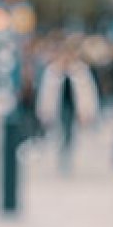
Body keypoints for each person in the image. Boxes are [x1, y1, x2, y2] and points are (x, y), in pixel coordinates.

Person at [36, 37, 99, 174]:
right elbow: (46, 93)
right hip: (58, 108)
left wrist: (88, 111)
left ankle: (66, 155)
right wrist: (44, 111)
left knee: (69, 132)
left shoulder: (80, 71)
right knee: (59, 132)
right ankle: (61, 155)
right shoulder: (52, 71)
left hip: (72, 108)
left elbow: (88, 93)